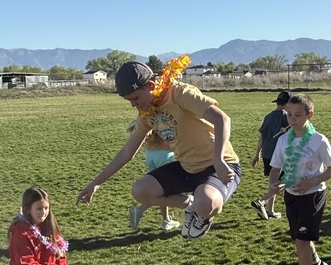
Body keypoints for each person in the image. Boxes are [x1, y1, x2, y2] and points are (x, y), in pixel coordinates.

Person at [77, 58, 241, 240]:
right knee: (140, 190)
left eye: (135, 98)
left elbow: (222, 119)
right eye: (129, 100)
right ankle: (191, 206)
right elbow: (127, 152)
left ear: (150, 85)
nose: (133, 105)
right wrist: (96, 183)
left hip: (220, 166)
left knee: (207, 203)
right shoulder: (147, 114)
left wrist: (219, 160)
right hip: (187, 168)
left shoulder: (180, 94)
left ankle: (202, 212)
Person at [266, 93, 331, 265]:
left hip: (313, 194)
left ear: (310, 115)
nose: (292, 119)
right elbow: (275, 168)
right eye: (289, 114)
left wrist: (311, 182)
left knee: (302, 241)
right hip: (291, 195)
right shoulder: (283, 140)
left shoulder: (319, 140)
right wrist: (274, 185)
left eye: (298, 114)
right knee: (299, 238)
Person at [127, 120, 181, 232]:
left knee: (161, 191)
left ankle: (166, 220)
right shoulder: (161, 135)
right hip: (163, 157)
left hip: (150, 156)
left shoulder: (149, 138)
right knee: (166, 191)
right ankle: (141, 210)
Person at [250, 90, 291, 220]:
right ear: (287, 104)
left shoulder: (268, 116)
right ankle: (262, 202)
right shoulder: (287, 116)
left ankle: (270, 210)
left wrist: (257, 154)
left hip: (267, 153)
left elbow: (261, 137)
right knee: (282, 182)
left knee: (273, 182)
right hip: (279, 154)